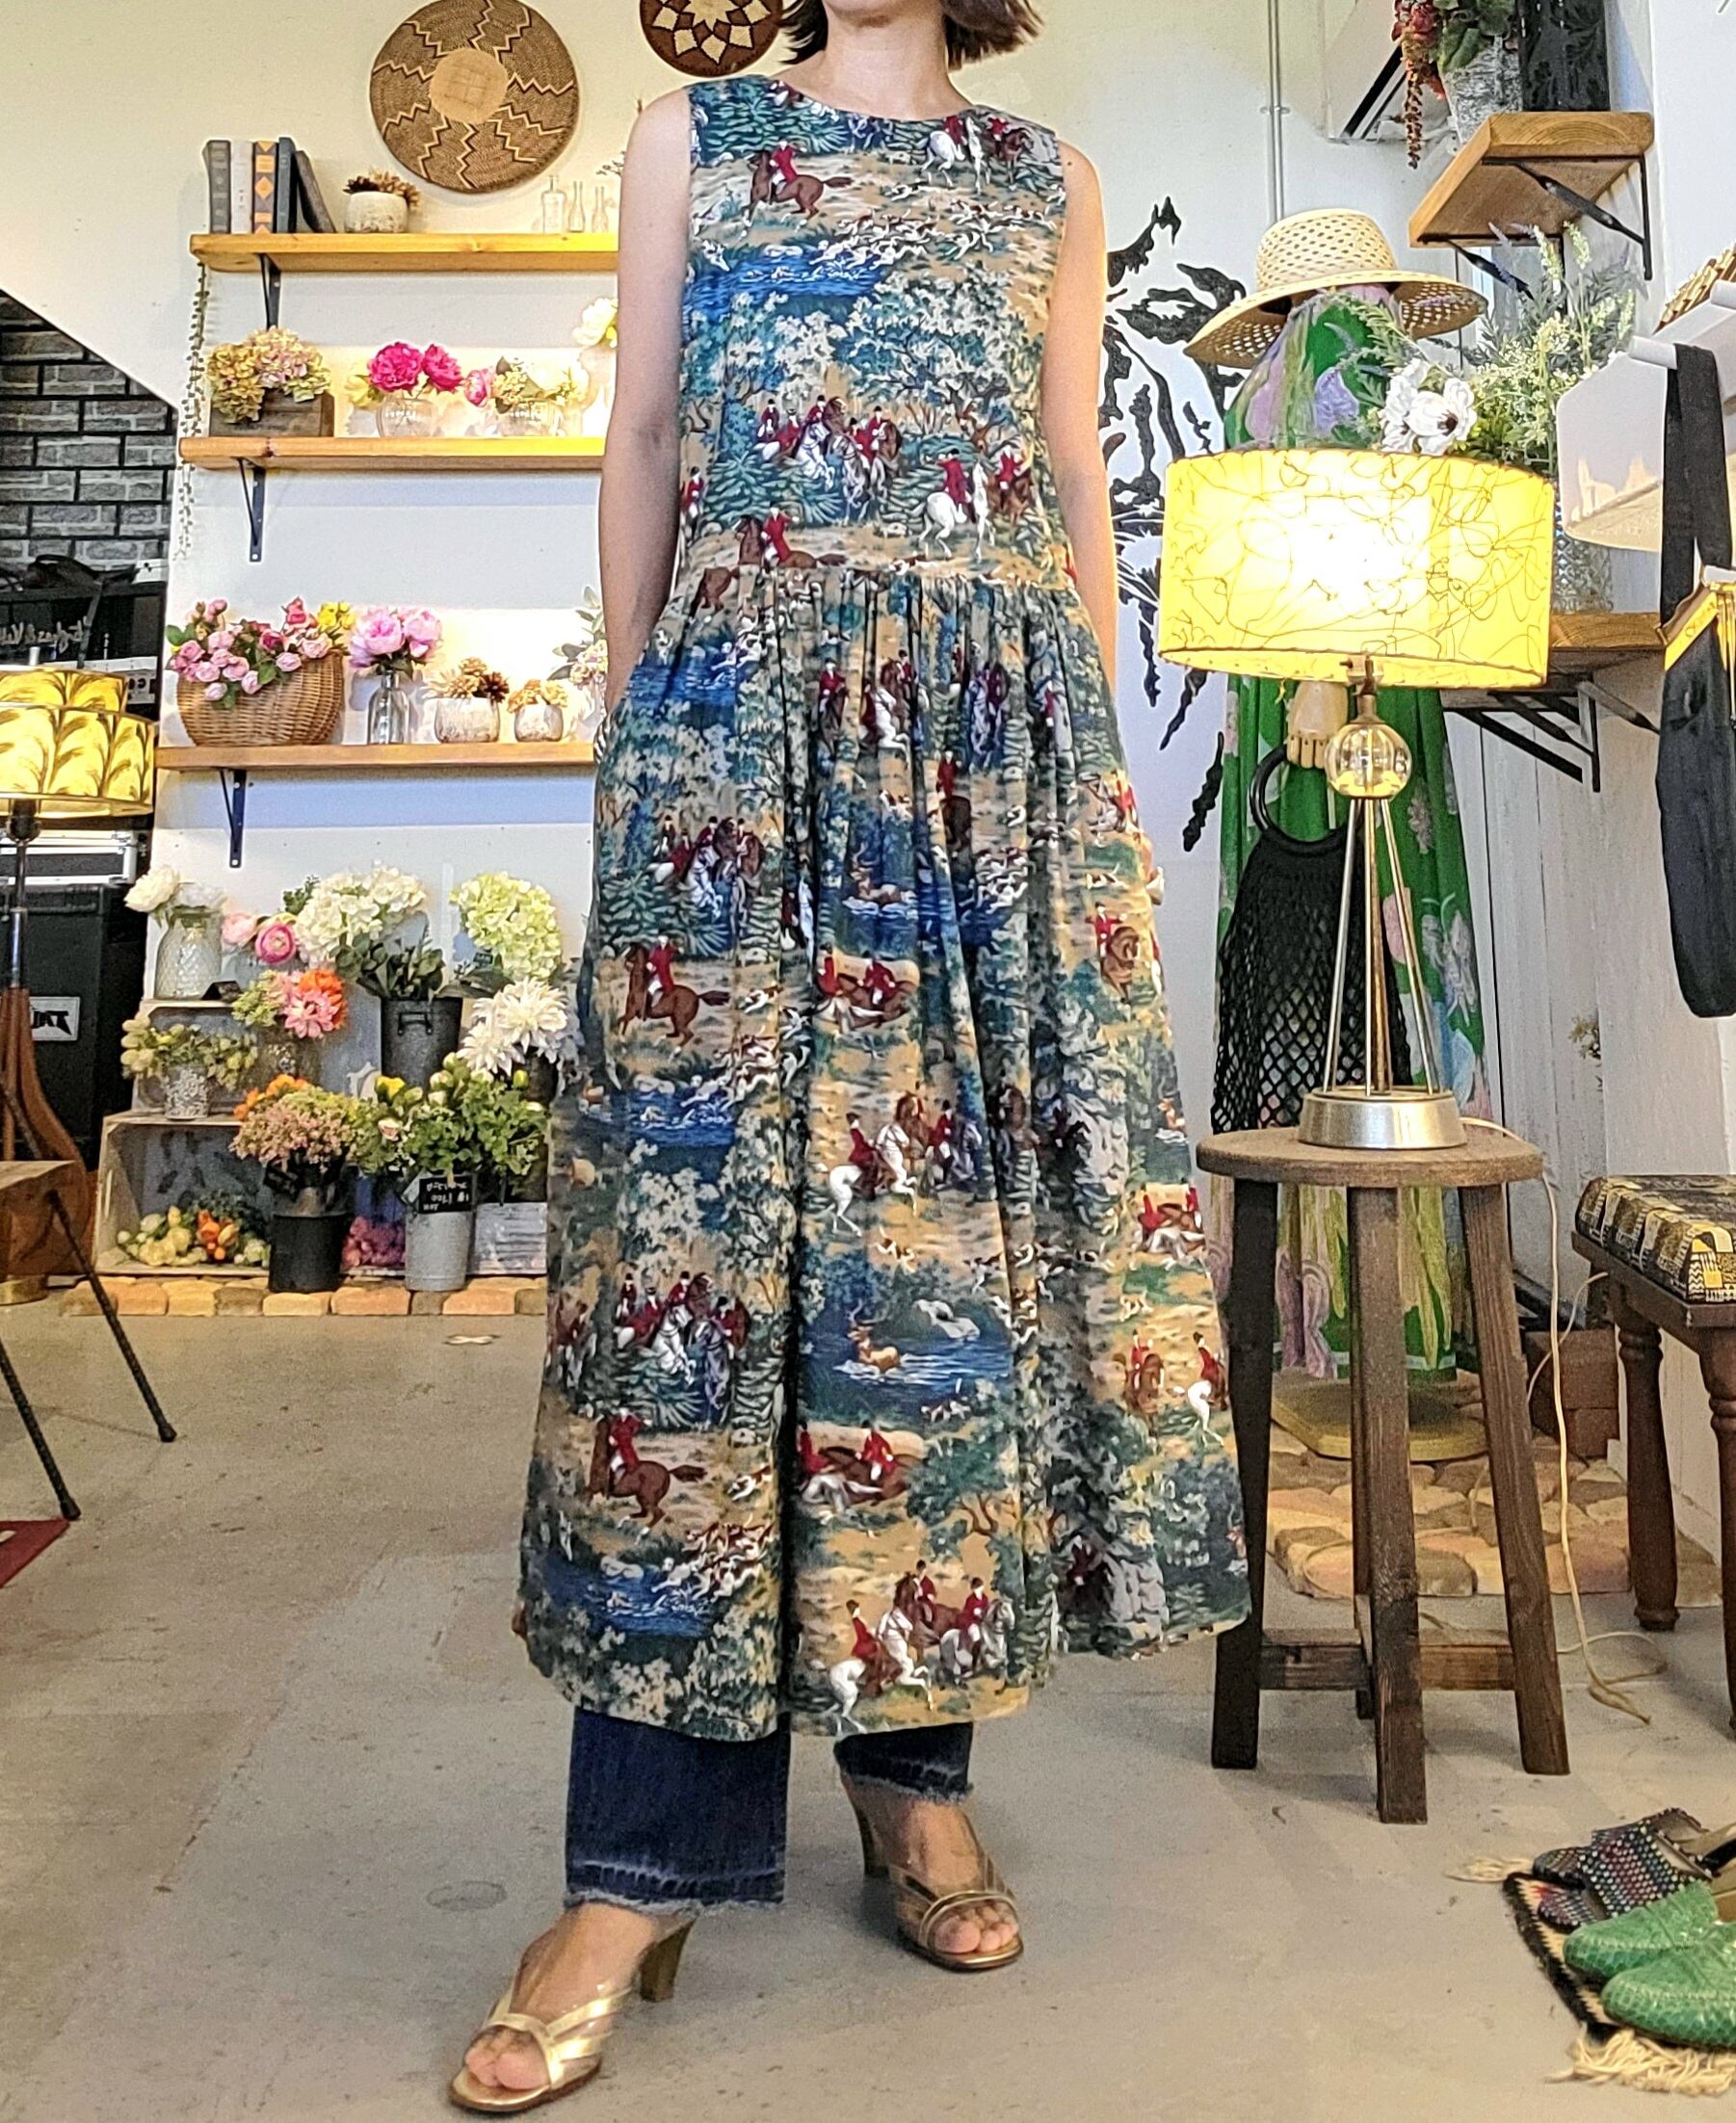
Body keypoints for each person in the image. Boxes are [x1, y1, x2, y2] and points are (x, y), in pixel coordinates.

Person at [455, 2, 1248, 2110]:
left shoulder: (1043, 179)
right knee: (694, 1277)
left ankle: (915, 1780)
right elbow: (642, 438)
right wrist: (640, 731)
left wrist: (1093, 793)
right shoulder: (687, 139)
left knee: (938, 1278)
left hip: (990, 760)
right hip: (742, 723)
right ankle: (636, 1866)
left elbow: (1067, 476)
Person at [1187, 210, 1492, 1385]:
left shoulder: (1318, 345)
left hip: (1312, 680)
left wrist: (1313, 672)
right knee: (1363, 966)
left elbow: (1350, 504)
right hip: (1336, 678)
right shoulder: (1339, 343)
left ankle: (1329, 1317)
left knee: (1323, 970)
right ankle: (1383, 1315)